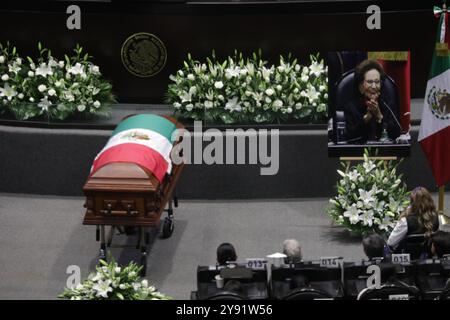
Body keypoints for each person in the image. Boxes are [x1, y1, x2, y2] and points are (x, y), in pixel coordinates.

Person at [344, 59, 401, 143]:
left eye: (377, 82)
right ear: (361, 86)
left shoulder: (388, 105)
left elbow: (396, 135)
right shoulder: (351, 107)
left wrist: (379, 116)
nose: (374, 86)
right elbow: (348, 138)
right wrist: (366, 119)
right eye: (370, 82)